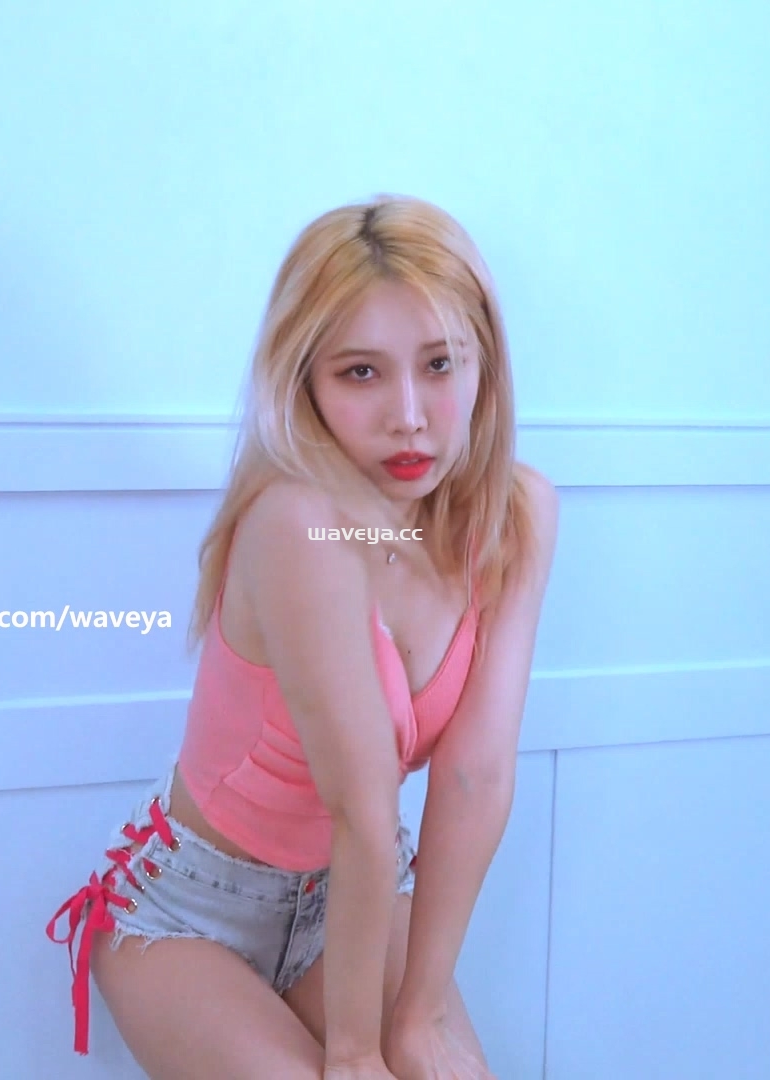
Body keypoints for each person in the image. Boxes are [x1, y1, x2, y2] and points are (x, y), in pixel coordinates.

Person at [47, 194, 559, 1079]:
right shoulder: (299, 522)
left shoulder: (517, 515)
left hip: (350, 903)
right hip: (188, 914)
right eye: (361, 373)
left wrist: (421, 1016)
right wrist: (357, 1053)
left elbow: (474, 778)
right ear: (306, 382)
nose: (409, 414)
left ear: (485, 361)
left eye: (440, 364)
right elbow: (360, 802)